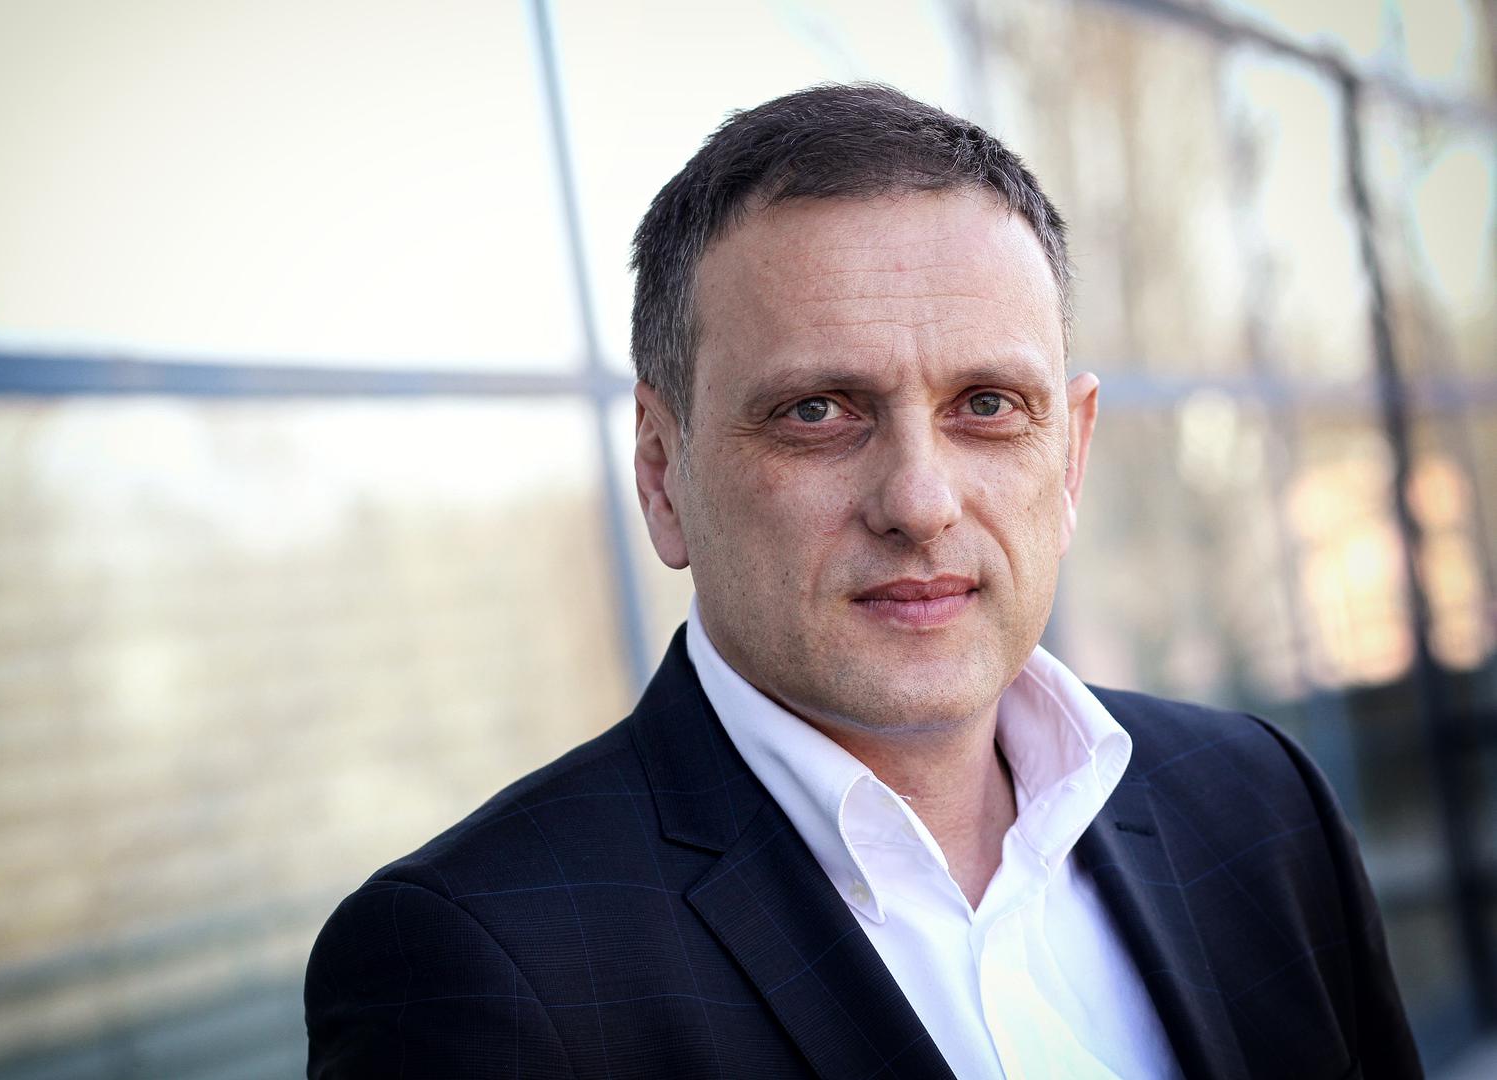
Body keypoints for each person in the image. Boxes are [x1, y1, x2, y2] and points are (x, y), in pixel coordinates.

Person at [304, 83, 1419, 1079]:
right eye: (817, 412)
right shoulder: (477, 971)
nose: (920, 502)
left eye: (988, 405)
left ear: (1071, 457)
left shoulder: (1260, 805)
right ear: (661, 472)